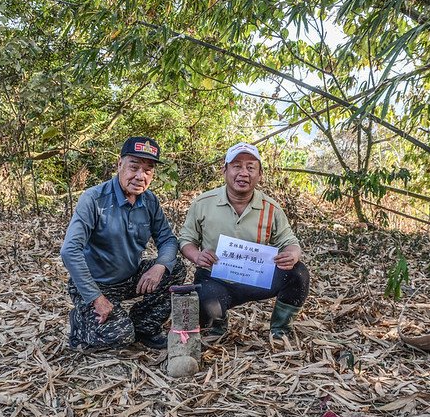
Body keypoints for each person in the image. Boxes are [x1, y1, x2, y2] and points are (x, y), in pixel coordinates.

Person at [61, 136, 186, 350]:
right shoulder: (94, 199)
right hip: (96, 283)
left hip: (129, 277)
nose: (140, 176)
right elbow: (69, 251)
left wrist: (159, 265)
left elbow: (167, 240)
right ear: (119, 165)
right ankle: (81, 323)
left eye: (148, 170)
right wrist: (96, 298)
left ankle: (144, 325)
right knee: (121, 337)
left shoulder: (149, 201)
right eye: (134, 167)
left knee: (175, 270)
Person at [178, 142, 310, 339]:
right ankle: (218, 324)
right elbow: (186, 240)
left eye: (250, 167)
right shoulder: (203, 203)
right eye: (237, 166)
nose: (243, 173)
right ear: (225, 170)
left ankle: (280, 330)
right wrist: (197, 256)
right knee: (205, 305)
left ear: (260, 174)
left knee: (298, 274)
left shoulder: (271, 208)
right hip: (215, 278)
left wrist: (292, 254)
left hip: (256, 278)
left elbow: (289, 241)